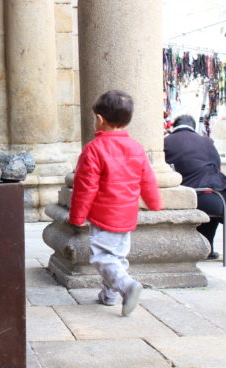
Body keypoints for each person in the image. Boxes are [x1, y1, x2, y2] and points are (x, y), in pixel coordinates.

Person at [68, 90, 163, 316]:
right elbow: (147, 180)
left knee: (103, 257)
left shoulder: (94, 149)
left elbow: (85, 187)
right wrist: (155, 203)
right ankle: (109, 295)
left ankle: (127, 286)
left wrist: (77, 216)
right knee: (117, 256)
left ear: (100, 119)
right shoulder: (136, 148)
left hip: (104, 215)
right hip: (127, 215)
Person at [164, 114, 226, 260]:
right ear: (193, 127)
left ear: (174, 127)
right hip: (213, 198)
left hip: (183, 198)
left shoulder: (166, 142)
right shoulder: (206, 142)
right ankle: (208, 248)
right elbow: (216, 166)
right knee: (214, 206)